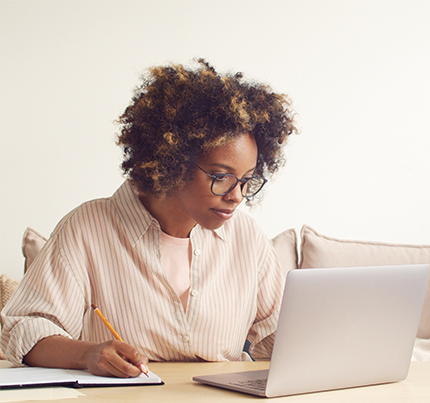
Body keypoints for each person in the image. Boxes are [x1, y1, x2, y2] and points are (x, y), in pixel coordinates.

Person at [0, 58, 297, 378]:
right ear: (172, 160)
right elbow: (24, 330)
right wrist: (88, 354)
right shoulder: (87, 227)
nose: (236, 195)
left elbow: (278, 337)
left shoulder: (246, 235)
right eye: (220, 177)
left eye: (246, 180)